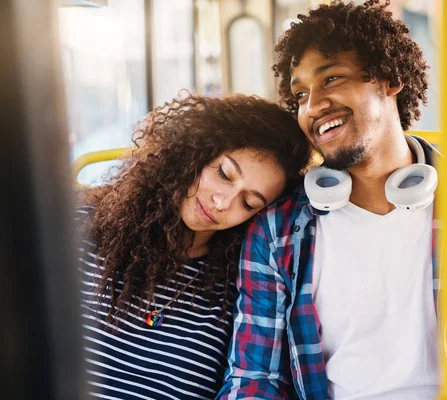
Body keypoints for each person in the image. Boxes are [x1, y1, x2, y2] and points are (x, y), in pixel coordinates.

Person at [218, 1, 447, 399]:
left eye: (331, 78)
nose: (313, 106)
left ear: (390, 79)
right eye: (300, 94)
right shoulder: (278, 231)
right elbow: (255, 382)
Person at [75, 93, 311, 400]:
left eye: (248, 202)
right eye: (224, 174)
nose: (222, 202)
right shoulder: (81, 228)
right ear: (194, 151)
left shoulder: (242, 289)